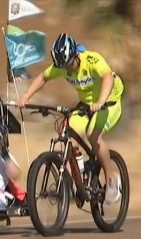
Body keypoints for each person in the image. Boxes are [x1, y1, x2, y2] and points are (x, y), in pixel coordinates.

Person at [16, 33, 124, 205]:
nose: (67, 68)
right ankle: (78, 178)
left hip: (108, 101)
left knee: (92, 135)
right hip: (86, 104)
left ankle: (111, 179)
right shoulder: (61, 66)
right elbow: (43, 77)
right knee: (68, 132)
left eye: (68, 64)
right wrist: (25, 96)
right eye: (63, 66)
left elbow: (107, 77)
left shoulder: (92, 60)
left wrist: (100, 101)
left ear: (75, 55)